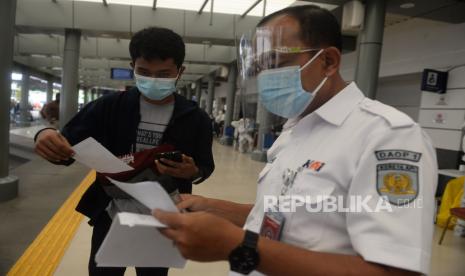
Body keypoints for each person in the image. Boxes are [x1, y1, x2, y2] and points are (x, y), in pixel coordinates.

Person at [152, 5, 437, 276]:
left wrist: (238, 245)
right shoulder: (297, 129)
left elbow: (393, 271)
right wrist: (217, 209)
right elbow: (299, 215)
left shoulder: (388, 137)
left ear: (328, 61)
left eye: (276, 63)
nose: (266, 77)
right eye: (260, 67)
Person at [34, 27, 214, 276]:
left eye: (163, 74)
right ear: (133, 66)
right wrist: (44, 135)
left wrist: (193, 171)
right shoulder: (109, 107)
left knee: (153, 273)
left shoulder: (195, 119)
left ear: (179, 72)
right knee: (103, 272)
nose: (152, 80)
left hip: (164, 214)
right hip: (112, 210)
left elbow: (205, 166)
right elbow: (67, 143)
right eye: (144, 72)